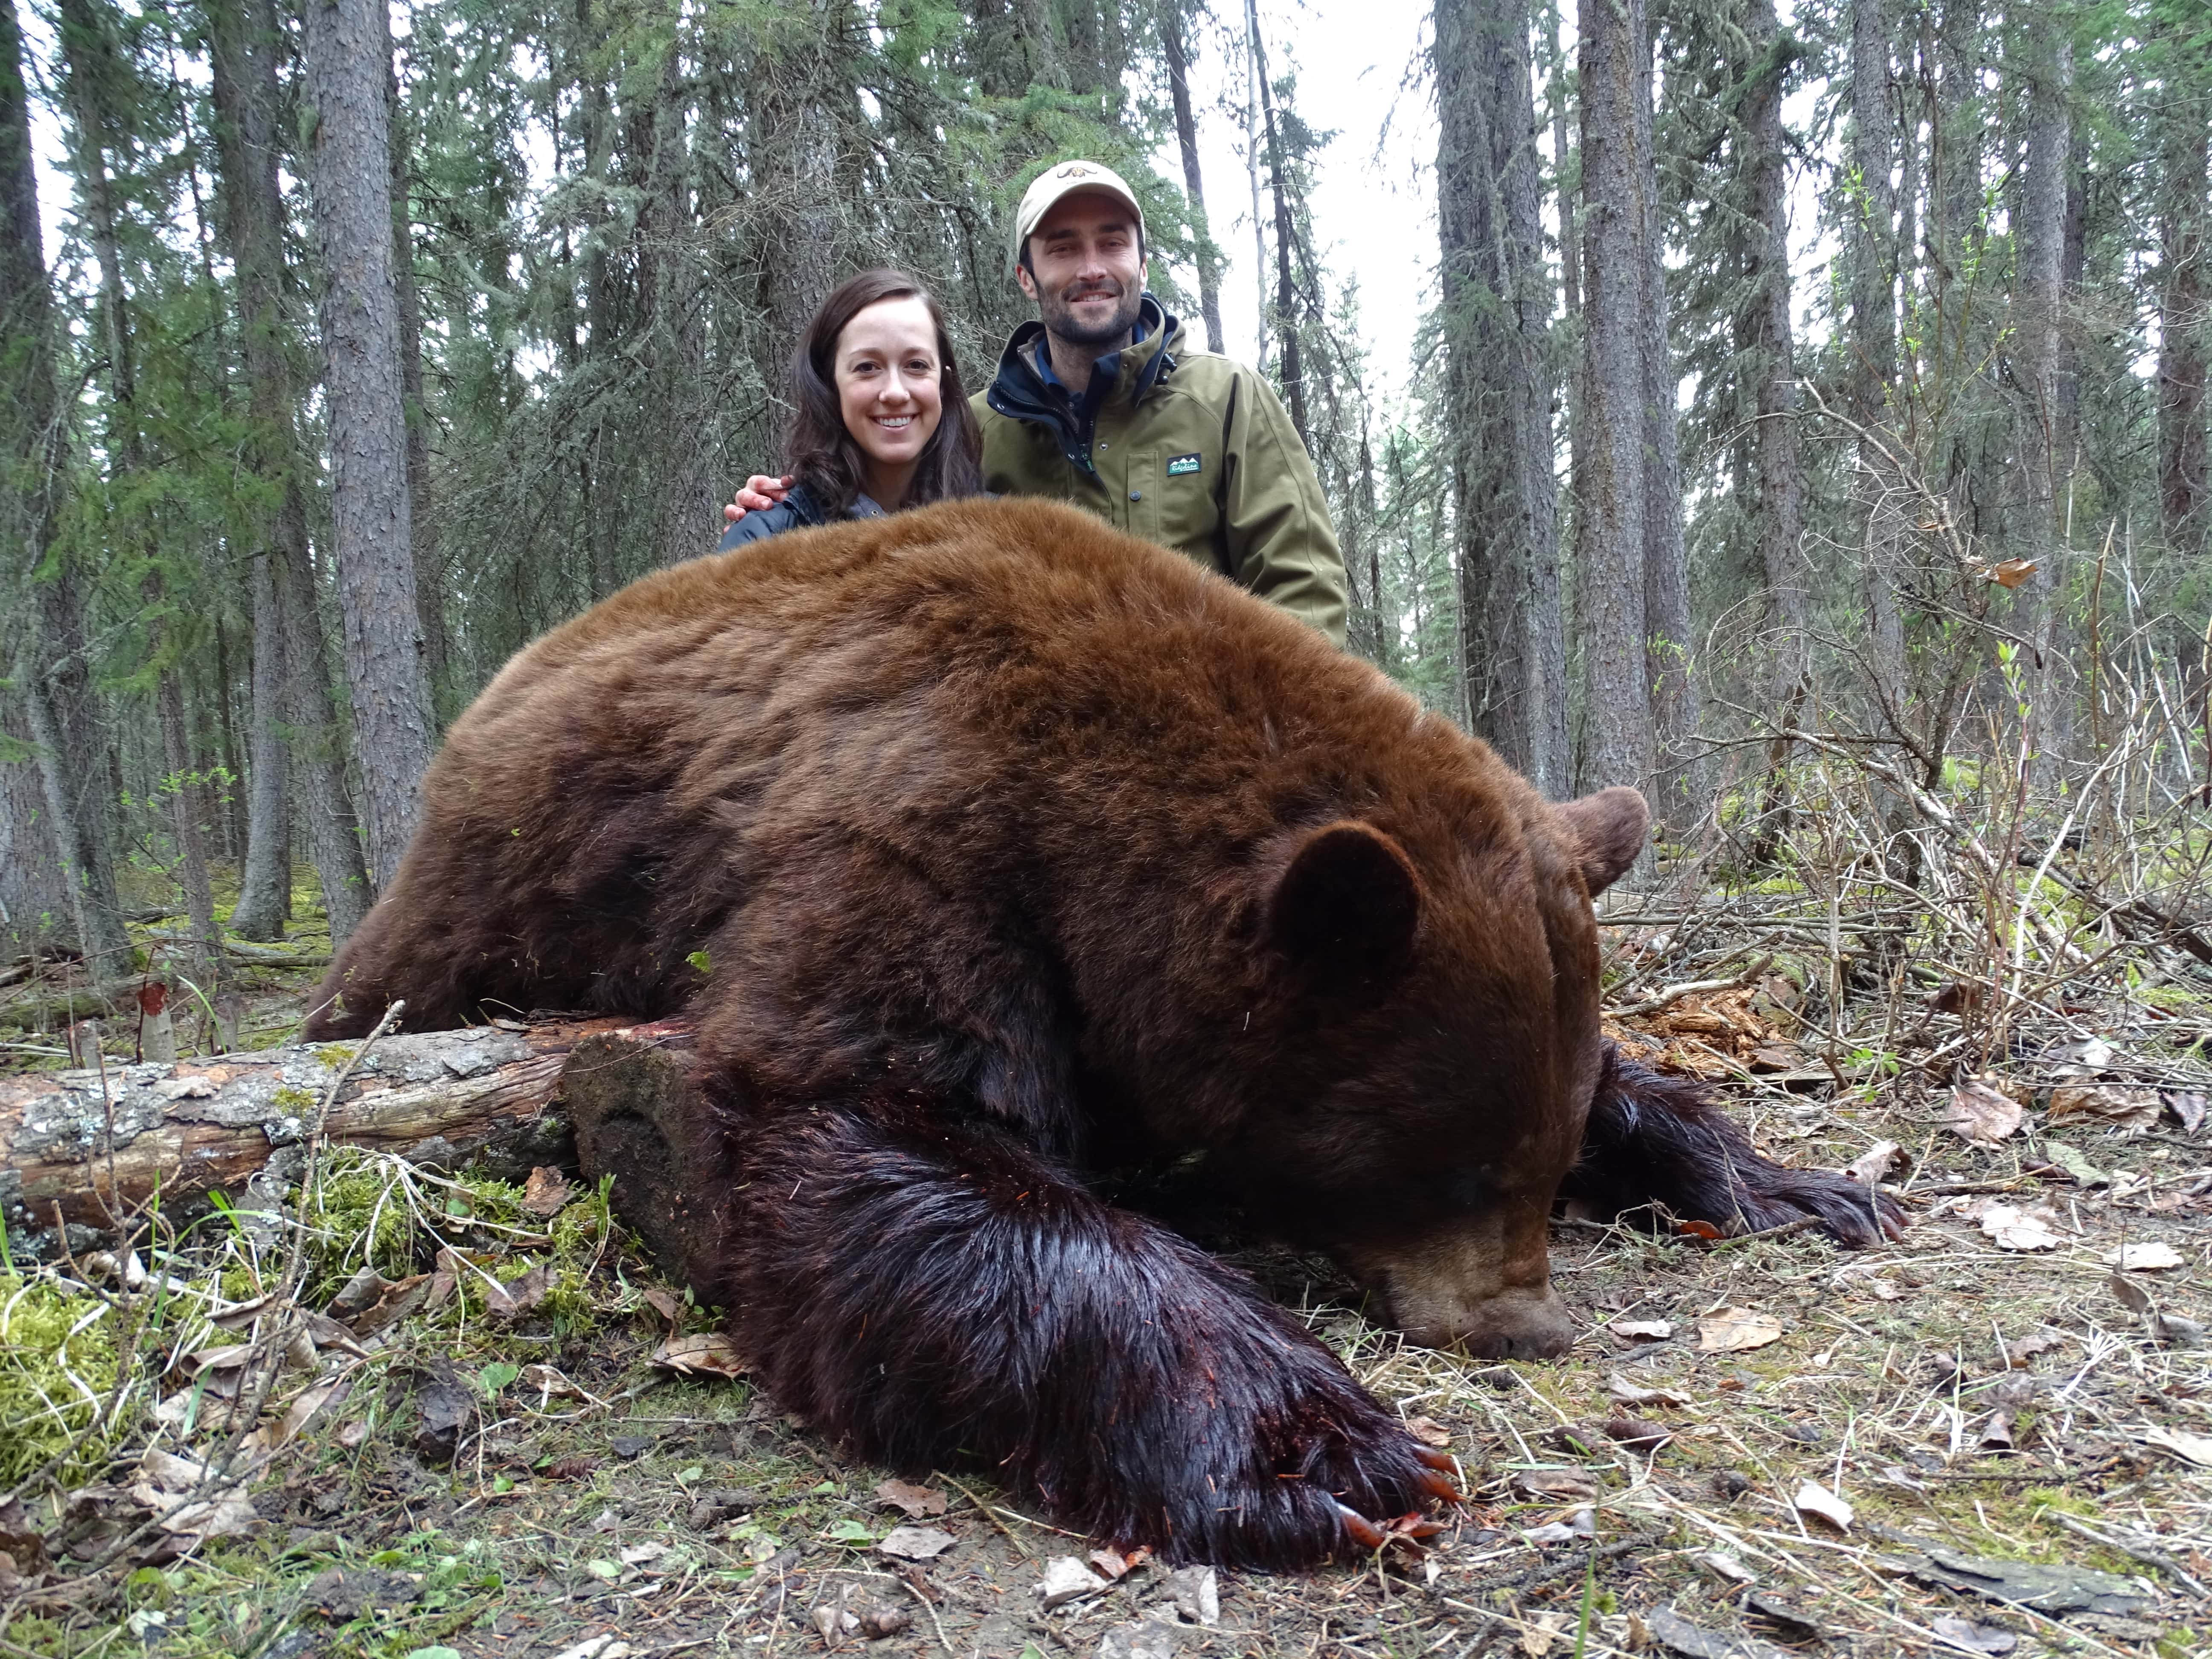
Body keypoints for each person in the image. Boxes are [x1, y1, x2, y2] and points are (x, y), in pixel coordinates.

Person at [725, 160, 1348, 645]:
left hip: (1216, 758)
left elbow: (1304, 593)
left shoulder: (1226, 398)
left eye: (1112, 243)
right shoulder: (971, 430)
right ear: (1027, 275)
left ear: (1142, 262)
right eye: (1063, 248)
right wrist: (791, 505)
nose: (1092, 267)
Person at [717, 268, 983, 550]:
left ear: (944, 382)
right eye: (867, 367)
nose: (895, 392)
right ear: (830, 385)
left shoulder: (1001, 533)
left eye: (916, 365)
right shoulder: (763, 540)